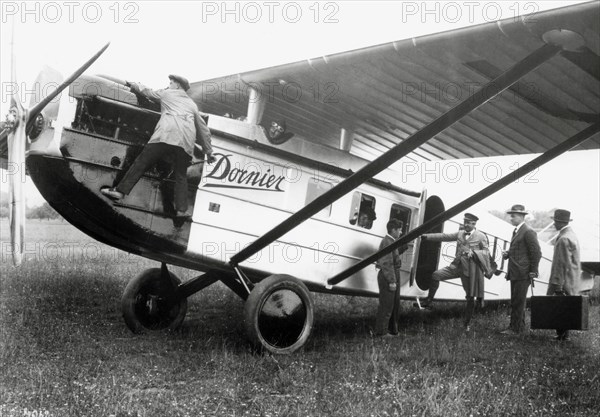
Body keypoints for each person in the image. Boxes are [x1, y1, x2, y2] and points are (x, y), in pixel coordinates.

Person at [101, 74, 215, 219]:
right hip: (186, 143)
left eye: (171, 82)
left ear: (178, 86)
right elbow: (203, 129)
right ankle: (181, 210)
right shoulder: (192, 105)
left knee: (141, 162)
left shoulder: (167, 94)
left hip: (166, 135)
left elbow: (148, 92)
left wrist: (133, 84)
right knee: (181, 176)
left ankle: (120, 191)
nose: (169, 84)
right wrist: (209, 152)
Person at [419, 213, 490, 331]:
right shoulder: (460, 233)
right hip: (455, 266)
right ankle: (428, 301)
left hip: (470, 271)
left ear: (474, 224)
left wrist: (474, 253)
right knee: (436, 275)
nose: (465, 225)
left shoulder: (481, 236)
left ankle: (467, 323)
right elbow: (444, 236)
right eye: (464, 222)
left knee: (470, 297)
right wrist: (426, 236)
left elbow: (486, 253)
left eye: (468, 223)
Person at [500, 204, 542, 335]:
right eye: (511, 216)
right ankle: (519, 327)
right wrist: (508, 253)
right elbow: (521, 250)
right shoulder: (517, 231)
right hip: (516, 272)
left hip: (523, 273)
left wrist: (533, 271)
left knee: (518, 301)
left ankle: (514, 329)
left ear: (521, 216)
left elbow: (536, 252)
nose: (511, 218)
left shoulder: (528, 231)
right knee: (517, 301)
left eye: (513, 216)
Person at [547, 209, 581, 341]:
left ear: (560, 222)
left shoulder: (563, 238)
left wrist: (557, 284)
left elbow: (561, 263)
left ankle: (561, 335)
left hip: (562, 279)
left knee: (560, 306)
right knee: (567, 306)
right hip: (571, 278)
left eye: (555, 221)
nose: (554, 224)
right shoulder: (571, 235)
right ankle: (564, 334)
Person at [374, 219, 407, 337]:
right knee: (386, 305)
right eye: (399, 230)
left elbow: (395, 254)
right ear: (393, 230)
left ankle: (391, 330)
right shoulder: (387, 242)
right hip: (388, 275)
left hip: (392, 274)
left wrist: (406, 244)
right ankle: (381, 332)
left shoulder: (391, 241)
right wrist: (392, 281)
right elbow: (387, 263)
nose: (401, 232)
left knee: (393, 304)